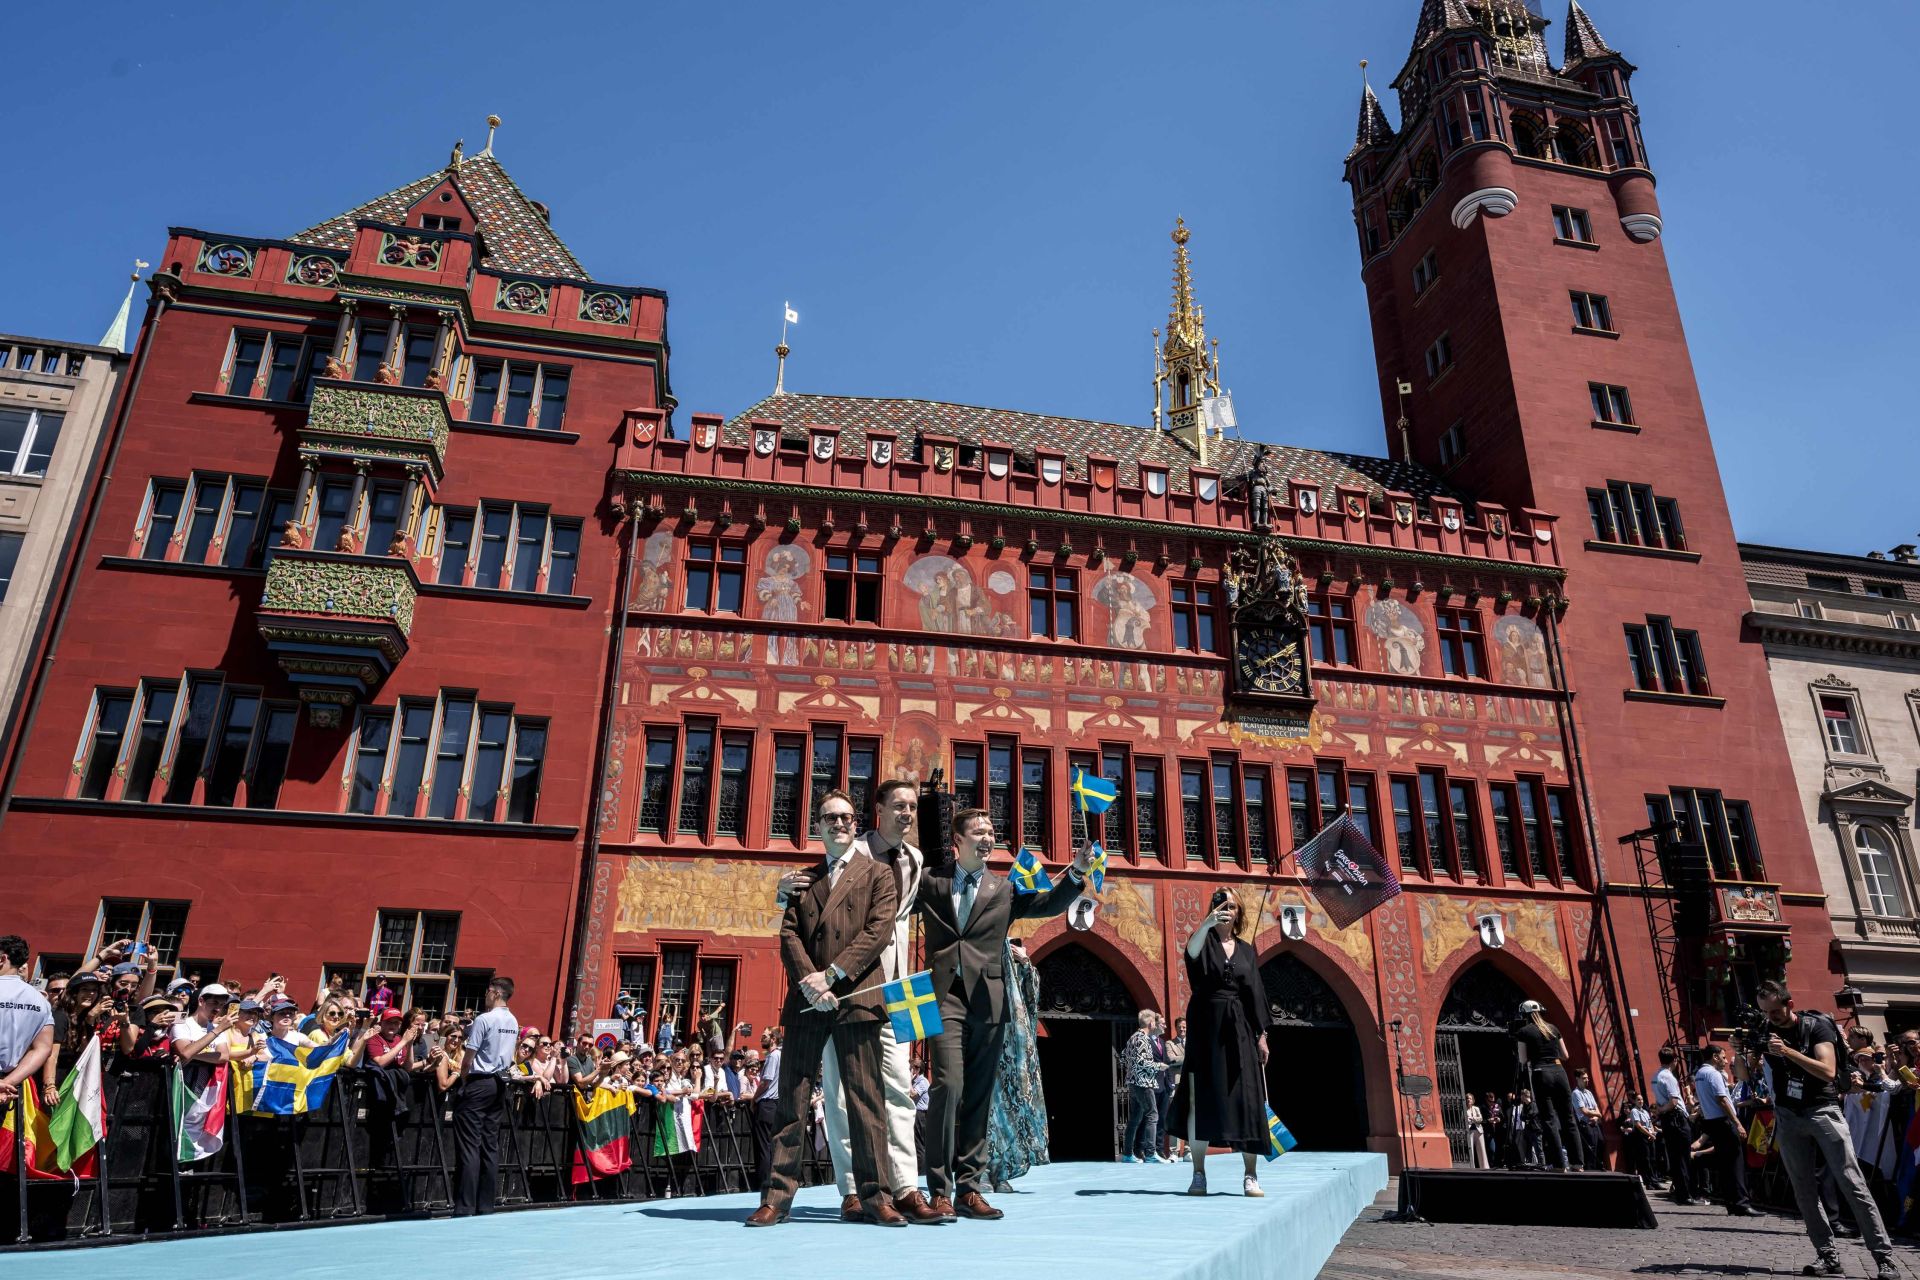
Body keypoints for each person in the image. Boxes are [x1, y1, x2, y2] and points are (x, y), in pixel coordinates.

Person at [913, 806, 1089, 1219]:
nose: (988, 838)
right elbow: (891, 895)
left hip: (988, 1000)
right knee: (948, 1087)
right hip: (941, 996)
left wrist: (1077, 874)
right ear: (958, 841)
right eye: (979, 831)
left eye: (991, 831)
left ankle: (970, 1189)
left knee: (978, 1095)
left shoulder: (1003, 890)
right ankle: (939, 1188)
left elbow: (1048, 902)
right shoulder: (931, 882)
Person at [777, 778, 940, 1222]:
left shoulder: (915, 858)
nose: (908, 814)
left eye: (912, 807)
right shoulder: (852, 852)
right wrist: (780, 891)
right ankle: (852, 1188)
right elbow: (800, 899)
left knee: (900, 1086)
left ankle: (905, 1185)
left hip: (902, 984)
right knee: (841, 1090)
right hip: (849, 986)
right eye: (899, 806)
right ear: (878, 812)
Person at [748, 790, 904, 1228]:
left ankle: (877, 1196)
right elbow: (789, 935)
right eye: (830, 818)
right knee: (792, 1102)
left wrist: (831, 975)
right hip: (807, 1003)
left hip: (855, 997)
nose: (839, 824)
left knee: (867, 1101)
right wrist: (809, 982)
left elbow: (878, 932)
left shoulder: (878, 874)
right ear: (817, 826)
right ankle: (776, 1198)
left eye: (847, 818)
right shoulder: (802, 880)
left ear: (857, 825)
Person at [1754, 980, 1899, 1280]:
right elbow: (1746, 1073)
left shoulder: (1815, 1026)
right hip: (1788, 1115)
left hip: (1822, 1110)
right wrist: (1744, 1053)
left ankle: (1884, 1259)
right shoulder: (1765, 1031)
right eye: (1766, 1013)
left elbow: (1827, 1071)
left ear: (1789, 1005)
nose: (1772, 1018)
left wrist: (1788, 1052)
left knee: (1852, 1183)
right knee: (1804, 1191)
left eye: (1776, 1011)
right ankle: (1827, 1256)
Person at [1169, 888, 1272, 1198]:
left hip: (1240, 1028)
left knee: (1248, 1099)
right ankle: (1198, 1173)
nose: (1225, 909)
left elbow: (1255, 993)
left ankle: (1250, 1175)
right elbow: (1190, 952)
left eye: (1230, 905)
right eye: (1219, 904)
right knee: (1200, 1098)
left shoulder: (1246, 950)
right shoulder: (1205, 942)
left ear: (1238, 912)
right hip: (1205, 1027)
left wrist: (1262, 1035)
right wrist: (1205, 923)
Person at [985, 936, 1048, 1191]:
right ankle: (980, 1170)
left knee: (1010, 1112)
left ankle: (1001, 1170)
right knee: (987, 1110)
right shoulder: (988, 956)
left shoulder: (1022, 969)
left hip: (1015, 1054)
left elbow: (1032, 998)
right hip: (989, 1042)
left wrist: (1025, 962)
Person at [454, 976, 519, 1216]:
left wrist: (464, 1077)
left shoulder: (485, 1019)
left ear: (494, 992)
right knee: (490, 1144)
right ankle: (485, 1204)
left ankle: (465, 1205)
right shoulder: (513, 1021)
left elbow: (469, 1055)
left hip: (480, 1081)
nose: (485, 996)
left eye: (487, 992)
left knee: (470, 1144)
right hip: (499, 1083)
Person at [1508, 1000, 1583, 1172]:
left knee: (1549, 1119)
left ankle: (1558, 1164)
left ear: (1524, 1015)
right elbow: (1565, 1055)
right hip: (1559, 1071)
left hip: (1541, 1072)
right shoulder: (1553, 1029)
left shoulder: (1524, 1032)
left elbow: (1522, 1059)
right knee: (1569, 1118)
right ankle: (1578, 1163)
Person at [1693, 1043, 1754, 1215]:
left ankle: (1732, 1203)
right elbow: (1722, 1099)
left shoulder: (1699, 1074)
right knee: (1735, 1162)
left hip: (1712, 1121)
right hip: (1723, 1121)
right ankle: (1741, 1203)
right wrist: (1738, 1123)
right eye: (1723, 1057)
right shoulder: (1713, 1074)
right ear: (1715, 1057)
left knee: (1725, 1165)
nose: (1725, 1061)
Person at [0, 936, 54, 1112]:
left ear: (2, 959)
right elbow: (43, 1049)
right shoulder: (40, 1001)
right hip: (5, 1087)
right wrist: (8, 1083)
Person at [1121, 1010, 1169, 1162]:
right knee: (1152, 1115)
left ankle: (1128, 1154)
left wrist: (1131, 1070)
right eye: (1154, 1021)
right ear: (1150, 1023)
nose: (1155, 1023)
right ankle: (1150, 1154)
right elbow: (1142, 1062)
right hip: (1144, 1082)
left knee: (1135, 1118)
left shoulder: (1132, 1038)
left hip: (1133, 1082)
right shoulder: (1143, 1039)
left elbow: (1123, 1056)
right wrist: (1158, 1066)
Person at [1650, 1046, 1696, 1205]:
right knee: (1683, 1156)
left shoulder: (1655, 1076)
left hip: (1667, 1120)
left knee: (1675, 1158)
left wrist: (1660, 1110)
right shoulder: (1668, 1077)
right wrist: (1663, 1109)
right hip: (1676, 1118)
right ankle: (1686, 1194)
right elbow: (1674, 1101)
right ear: (1674, 1060)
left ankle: (1680, 1193)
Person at [1617, 1088, 1661, 1187]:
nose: (1640, 1101)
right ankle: (1648, 1182)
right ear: (1635, 1101)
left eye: (1641, 1099)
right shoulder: (1634, 1111)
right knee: (1645, 1160)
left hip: (1650, 1136)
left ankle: (1655, 1180)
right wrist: (1649, 1134)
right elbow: (1639, 1126)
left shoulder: (1645, 1112)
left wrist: (1653, 1134)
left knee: (1652, 1159)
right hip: (1641, 1136)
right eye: (1638, 1100)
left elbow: (1650, 1124)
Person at [1156, 1015, 1186, 1160]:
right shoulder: (1170, 1043)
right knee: (1174, 1116)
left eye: (1184, 1027)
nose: (1182, 1029)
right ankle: (1174, 1151)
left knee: (1189, 1116)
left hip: (1190, 1082)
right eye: (1179, 1027)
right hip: (1176, 1082)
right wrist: (1189, 1058)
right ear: (1176, 1028)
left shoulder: (1192, 1043)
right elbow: (1171, 1059)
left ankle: (1187, 1150)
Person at [1571, 1068, 1605, 1170]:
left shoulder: (1589, 1093)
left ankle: (1599, 1167)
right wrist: (1596, 1115)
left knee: (1600, 1142)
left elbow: (1597, 1109)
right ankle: (1591, 1170)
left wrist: (1596, 1116)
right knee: (1590, 1148)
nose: (1587, 1080)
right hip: (1585, 1124)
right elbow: (1584, 1111)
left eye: (1587, 1078)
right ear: (1578, 1079)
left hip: (1595, 1123)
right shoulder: (1576, 1093)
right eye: (1584, 1078)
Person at [1465, 1095, 1490, 1169]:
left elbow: (1481, 1119)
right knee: (1471, 1150)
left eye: (1470, 1098)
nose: (1468, 1100)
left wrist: (1472, 1118)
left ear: (1473, 1100)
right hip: (1470, 1131)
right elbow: (1463, 1119)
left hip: (1478, 1130)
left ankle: (1485, 1167)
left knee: (1482, 1149)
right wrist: (1473, 1119)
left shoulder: (1476, 1108)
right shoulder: (1464, 1109)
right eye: (1467, 1098)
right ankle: (1471, 1167)